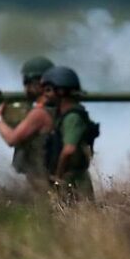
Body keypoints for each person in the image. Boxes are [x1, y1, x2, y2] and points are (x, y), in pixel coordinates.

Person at [0, 55, 54, 194]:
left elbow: (11, 139)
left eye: (27, 81)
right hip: (44, 179)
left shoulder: (40, 113)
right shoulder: (51, 108)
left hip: (44, 182)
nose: (25, 87)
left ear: (39, 83)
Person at [37, 65, 98, 201]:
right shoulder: (62, 116)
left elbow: (69, 150)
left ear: (61, 91)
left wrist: (58, 178)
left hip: (74, 181)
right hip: (69, 180)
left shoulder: (72, 118)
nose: (45, 95)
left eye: (48, 90)